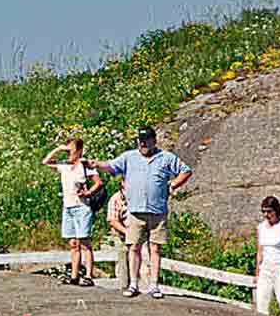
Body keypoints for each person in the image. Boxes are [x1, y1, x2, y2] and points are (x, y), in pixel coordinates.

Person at [87, 126, 192, 300]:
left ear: (154, 140)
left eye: (146, 140)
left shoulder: (166, 157)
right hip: (135, 210)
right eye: (140, 140)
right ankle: (133, 283)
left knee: (155, 248)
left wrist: (173, 184)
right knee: (133, 247)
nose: (142, 143)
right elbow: (112, 166)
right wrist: (96, 164)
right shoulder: (130, 157)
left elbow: (186, 170)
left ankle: (154, 285)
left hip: (157, 211)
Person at [43, 138, 102, 287]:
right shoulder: (64, 165)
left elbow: (98, 182)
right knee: (73, 243)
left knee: (85, 242)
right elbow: (46, 161)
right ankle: (74, 275)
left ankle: (88, 275)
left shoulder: (84, 165)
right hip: (68, 206)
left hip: (81, 206)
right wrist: (59, 149)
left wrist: (88, 193)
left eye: (72, 149)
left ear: (80, 150)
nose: (70, 153)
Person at [106, 179, 131, 291]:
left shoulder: (139, 196)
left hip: (139, 234)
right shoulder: (115, 199)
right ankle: (124, 286)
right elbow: (112, 220)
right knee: (123, 258)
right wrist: (127, 232)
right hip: (121, 234)